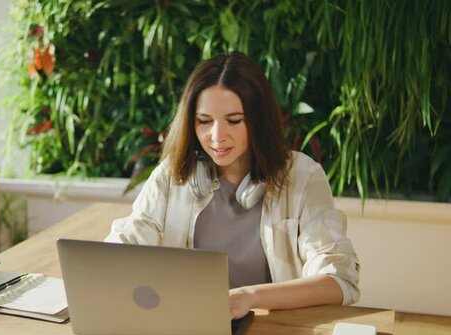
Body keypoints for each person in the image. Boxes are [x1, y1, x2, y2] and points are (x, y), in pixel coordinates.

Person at [105, 51, 360, 319]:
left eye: (234, 121)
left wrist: (249, 297)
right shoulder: (173, 174)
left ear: (257, 120)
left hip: (273, 332)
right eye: (204, 121)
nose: (216, 136)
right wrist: (101, 261)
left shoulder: (303, 177)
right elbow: (133, 234)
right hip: (187, 325)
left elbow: (339, 280)